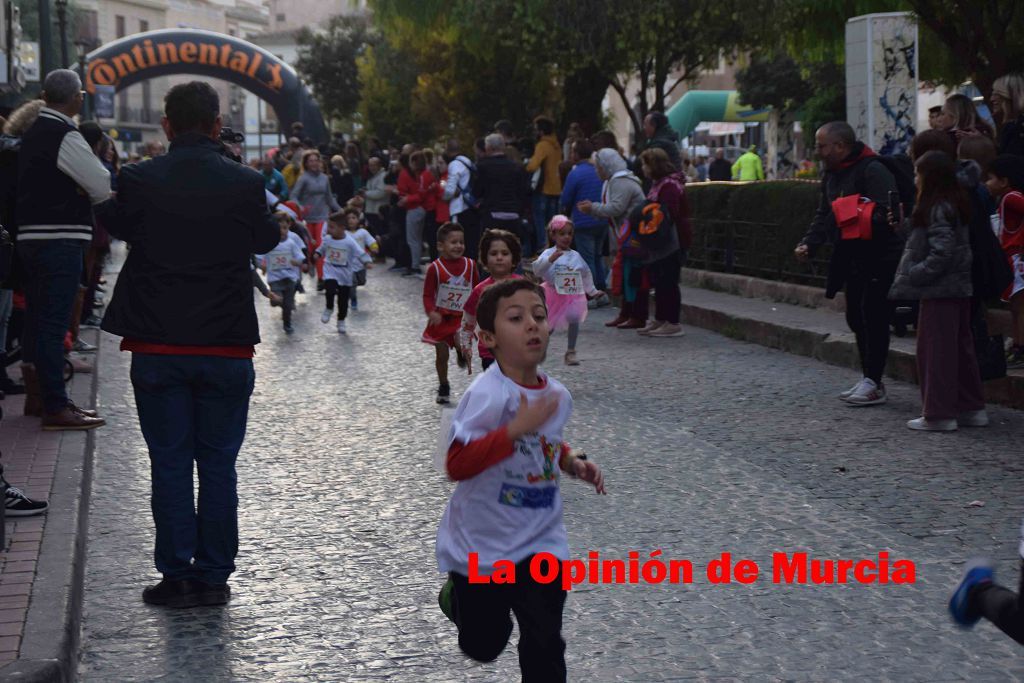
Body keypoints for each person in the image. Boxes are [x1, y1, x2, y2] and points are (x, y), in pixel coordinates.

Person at [95, 81, 279, 607]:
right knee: (218, 464)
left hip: (156, 344)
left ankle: (176, 573)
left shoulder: (138, 178)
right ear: (218, 126)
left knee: (170, 462)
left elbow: (116, 221)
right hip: (225, 344)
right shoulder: (244, 181)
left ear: (167, 126)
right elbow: (266, 238)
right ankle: (215, 575)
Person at [435, 278, 606, 682]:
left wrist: (573, 461)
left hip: (541, 540)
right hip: (482, 544)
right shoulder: (486, 395)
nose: (532, 325)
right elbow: (456, 464)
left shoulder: (557, 395)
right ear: (489, 337)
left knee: (546, 640)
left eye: (539, 316)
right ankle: (458, 598)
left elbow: (547, 443)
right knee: (483, 643)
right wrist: (513, 429)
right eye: (516, 318)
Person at [16, 69, 110, 430]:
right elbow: (100, 184)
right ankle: (56, 405)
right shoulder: (63, 133)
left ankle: (39, 398)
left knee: (38, 321)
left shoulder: (32, 132)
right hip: (60, 239)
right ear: (77, 98)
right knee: (54, 324)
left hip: (30, 237)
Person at [795, 121, 903, 406]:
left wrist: (858, 213)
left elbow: (889, 211)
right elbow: (824, 214)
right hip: (850, 255)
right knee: (855, 315)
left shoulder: (873, 169)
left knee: (874, 316)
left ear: (840, 146)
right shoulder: (832, 175)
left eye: (821, 145)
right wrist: (810, 242)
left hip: (880, 255)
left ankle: (874, 381)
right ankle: (869, 376)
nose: (817, 151)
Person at [888, 151, 984, 431]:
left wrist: (917, 274)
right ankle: (971, 407)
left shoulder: (937, 206)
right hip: (956, 288)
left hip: (940, 289)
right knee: (960, 349)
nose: (915, 179)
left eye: (918, 173)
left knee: (935, 352)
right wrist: (904, 228)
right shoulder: (954, 202)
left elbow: (941, 252)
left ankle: (939, 414)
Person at [578, 148, 647, 329]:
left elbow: (616, 208)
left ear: (606, 167)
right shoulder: (613, 181)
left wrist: (592, 208)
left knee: (632, 277)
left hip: (633, 237)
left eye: (598, 167)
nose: (596, 171)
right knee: (625, 276)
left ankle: (635, 315)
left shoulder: (620, 182)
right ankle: (626, 313)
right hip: (626, 235)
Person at [531, 215, 603, 366]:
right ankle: (540, 349)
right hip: (552, 293)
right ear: (553, 235)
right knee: (548, 326)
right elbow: (537, 270)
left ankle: (571, 351)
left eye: (570, 234)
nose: (567, 237)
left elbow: (585, 274)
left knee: (574, 318)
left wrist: (593, 291)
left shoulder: (575, 256)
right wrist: (550, 260)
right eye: (562, 233)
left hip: (572, 295)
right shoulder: (548, 253)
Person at [422, 222, 480, 404]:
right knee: (442, 356)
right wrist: (431, 312)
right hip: (441, 320)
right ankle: (444, 384)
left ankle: (461, 353)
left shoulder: (470, 265)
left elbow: (477, 290)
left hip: (461, 319)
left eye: (461, 242)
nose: (458, 246)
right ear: (440, 246)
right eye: (453, 242)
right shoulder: (435, 268)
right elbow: (427, 294)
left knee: (459, 338)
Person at [636, 148, 689, 337]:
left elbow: (670, 214)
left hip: (670, 241)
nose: (643, 168)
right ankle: (660, 318)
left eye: (645, 164)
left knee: (668, 282)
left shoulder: (669, 186)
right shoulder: (657, 184)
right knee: (658, 281)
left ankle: (672, 322)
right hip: (658, 242)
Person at [460, 229, 523, 373]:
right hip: (490, 353)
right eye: (494, 254)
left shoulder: (523, 286)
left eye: (505, 253)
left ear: (514, 258)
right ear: (485, 258)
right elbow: (468, 321)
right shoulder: (479, 290)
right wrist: (466, 345)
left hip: (519, 351)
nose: (499, 257)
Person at [987, 154, 1024, 368]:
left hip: (1016, 259)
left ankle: (1020, 347)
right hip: (1013, 259)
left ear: (1004, 181)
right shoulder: (1008, 198)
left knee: (1019, 307)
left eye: (990, 178)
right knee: (1016, 307)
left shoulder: (1011, 197)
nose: (987, 183)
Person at [559, 138, 607, 297]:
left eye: (573, 151)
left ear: (578, 154)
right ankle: (602, 287)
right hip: (602, 219)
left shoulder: (575, 173)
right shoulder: (598, 170)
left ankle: (591, 292)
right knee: (598, 255)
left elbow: (565, 199)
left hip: (583, 221)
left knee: (587, 259)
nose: (571, 154)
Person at [313, 211, 372, 334]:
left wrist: (366, 261)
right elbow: (322, 248)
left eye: (332, 227)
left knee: (343, 300)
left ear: (342, 228)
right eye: (328, 226)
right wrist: (317, 254)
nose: (329, 230)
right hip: (330, 270)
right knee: (329, 289)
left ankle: (341, 320)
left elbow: (359, 252)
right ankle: (329, 308)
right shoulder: (328, 239)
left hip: (345, 275)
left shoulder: (349, 241)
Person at [291, 150, 341, 290]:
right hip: (307, 218)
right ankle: (310, 264)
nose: (314, 163)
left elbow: (329, 198)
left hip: (322, 216)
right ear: (306, 163)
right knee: (310, 248)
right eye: (311, 161)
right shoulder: (303, 178)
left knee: (320, 245)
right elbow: (294, 196)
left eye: (316, 160)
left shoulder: (325, 178)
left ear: (320, 162)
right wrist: (300, 207)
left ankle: (321, 278)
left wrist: (340, 210)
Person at [473, 134, 531, 244]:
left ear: (488, 148)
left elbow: (477, 192)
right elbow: (524, 192)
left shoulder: (482, 167)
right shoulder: (517, 167)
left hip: (491, 215)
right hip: (514, 215)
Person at [259, 213, 306, 333]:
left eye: (284, 228)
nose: (282, 231)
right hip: (275, 278)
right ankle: (278, 302)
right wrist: (263, 265)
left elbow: (300, 256)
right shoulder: (269, 242)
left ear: (288, 228)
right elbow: (260, 257)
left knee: (288, 305)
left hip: (290, 278)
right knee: (276, 301)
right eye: (279, 228)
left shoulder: (291, 242)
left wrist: (297, 262)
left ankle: (287, 324)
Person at [526, 116, 563, 257]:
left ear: (541, 131)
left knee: (540, 221)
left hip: (543, 188)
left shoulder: (542, 145)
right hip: (556, 188)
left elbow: (532, 166)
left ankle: (543, 249)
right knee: (552, 222)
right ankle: (554, 248)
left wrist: (526, 165)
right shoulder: (557, 145)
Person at [398, 150, 438, 276]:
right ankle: (415, 264)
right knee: (417, 238)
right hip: (422, 208)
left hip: (417, 208)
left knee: (413, 239)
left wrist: (407, 199)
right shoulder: (426, 174)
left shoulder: (423, 176)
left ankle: (415, 265)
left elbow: (421, 194)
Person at [443, 139, 481, 260]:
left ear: (447, 150)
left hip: (460, 208)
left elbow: (450, 189)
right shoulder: (468, 162)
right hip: (471, 207)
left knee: (458, 242)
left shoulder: (454, 164)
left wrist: (445, 196)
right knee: (471, 242)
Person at [344, 207, 378, 311]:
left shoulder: (363, 232)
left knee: (361, 281)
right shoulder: (343, 233)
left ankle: (351, 289)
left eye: (353, 218)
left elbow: (371, 241)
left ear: (358, 220)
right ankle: (353, 299)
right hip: (348, 264)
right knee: (352, 283)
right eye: (348, 218)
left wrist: (374, 248)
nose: (351, 220)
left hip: (361, 263)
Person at [362, 155, 392, 245]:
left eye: (374, 165)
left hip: (378, 210)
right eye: (370, 165)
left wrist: (366, 194)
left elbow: (381, 193)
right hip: (370, 210)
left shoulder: (383, 176)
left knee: (380, 233)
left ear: (379, 165)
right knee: (374, 233)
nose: (371, 167)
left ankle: (382, 252)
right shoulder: (371, 176)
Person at [992, 74, 1024, 158]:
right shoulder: (1014, 124)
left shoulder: (1016, 127)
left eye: (996, 93)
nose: (992, 99)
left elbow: (1008, 162)